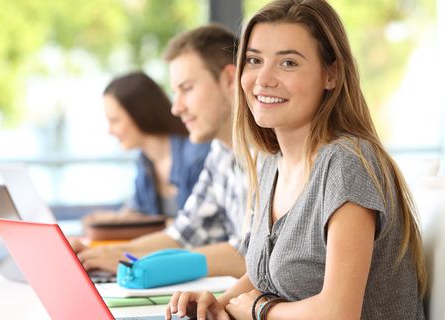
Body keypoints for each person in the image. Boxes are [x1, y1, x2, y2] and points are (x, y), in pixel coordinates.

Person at [166, 1, 427, 319]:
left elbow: (338, 313)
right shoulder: (269, 163)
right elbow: (268, 275)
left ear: (330, 74)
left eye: (288, 63)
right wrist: (217, 303)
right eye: (254, 60)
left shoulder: (346, 165)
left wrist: (260, 310)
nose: (263, 79)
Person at [73, 24, 247, 278]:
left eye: (187, 88)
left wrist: (133, 261)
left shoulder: (271, 155)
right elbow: (182, 235)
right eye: (174, 92)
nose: (176, 108)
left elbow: (252, 257)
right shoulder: (220, 155)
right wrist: (112, 253)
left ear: (230, 80)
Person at [83, 72, 210, 229]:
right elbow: (137, 211)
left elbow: (197, 228)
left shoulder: (198, 156)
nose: (110, 131)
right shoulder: (145, 162)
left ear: (140, 114)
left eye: (114, 120)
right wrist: (112, 219)